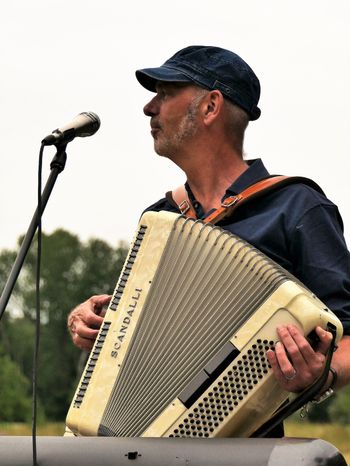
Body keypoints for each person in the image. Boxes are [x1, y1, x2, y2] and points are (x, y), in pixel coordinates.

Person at [67, 45, 350, 435]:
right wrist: (94, 323)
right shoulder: (161, 219)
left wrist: (322, 374)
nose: (149, 108)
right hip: (139, 443)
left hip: (245, 452)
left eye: (165, 94)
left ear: (211, 106)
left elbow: (347, 335)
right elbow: (139, 332)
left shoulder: (296, 207)